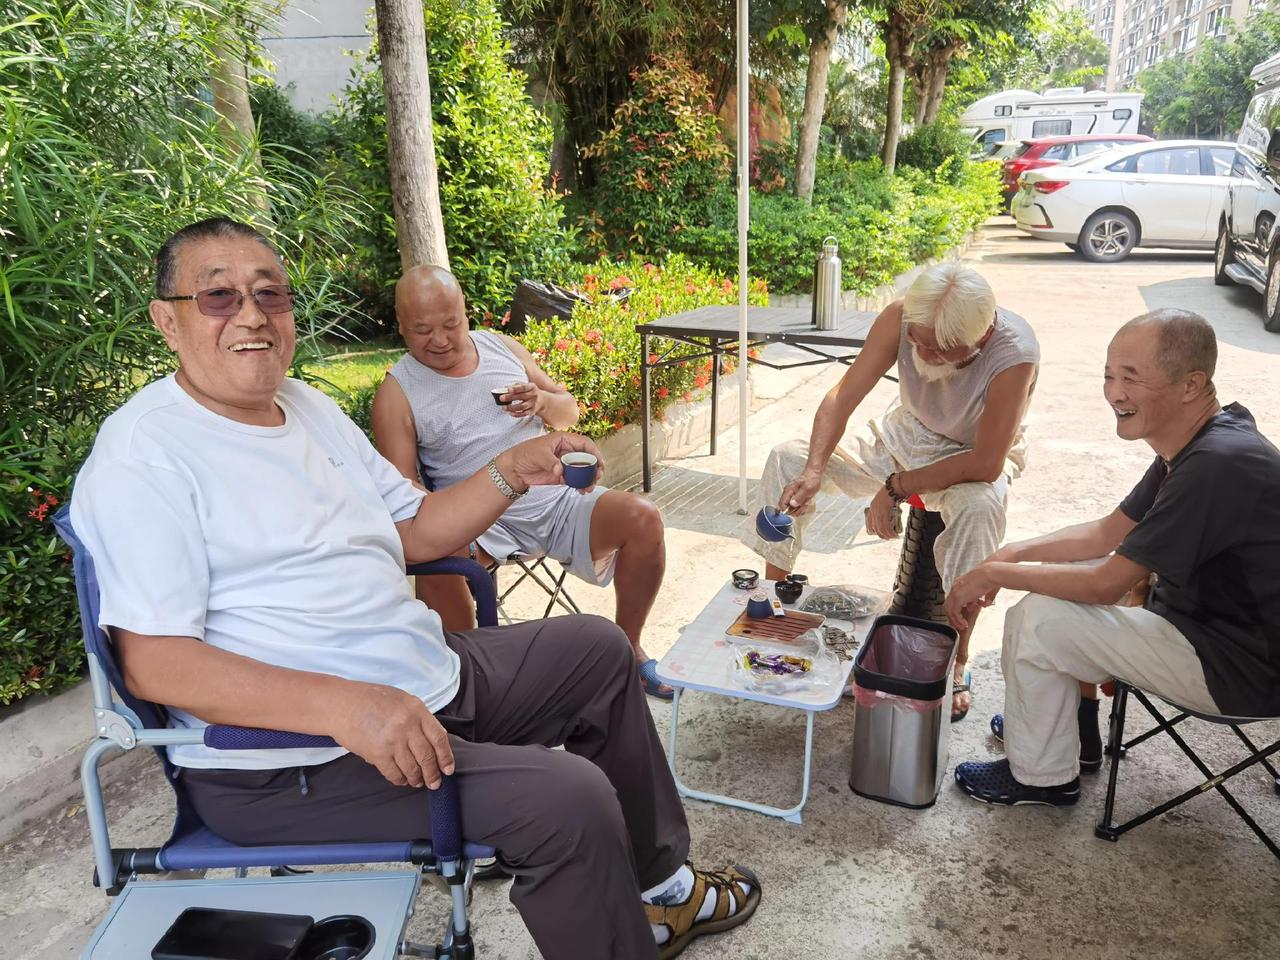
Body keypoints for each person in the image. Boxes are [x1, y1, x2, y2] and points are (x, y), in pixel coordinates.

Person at [70, 218, 760, 959]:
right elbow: (156, 663)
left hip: (420, 677)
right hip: (295, 761)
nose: (251, 315)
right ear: (167, 321)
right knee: (568, 799)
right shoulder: (145, 454)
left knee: (598, 650)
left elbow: (417, 529)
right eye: (218, 297)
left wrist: (513, 470)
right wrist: (346, 706)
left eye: (270, 293)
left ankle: (661, 894)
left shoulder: (307, 408)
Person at [948, 309, 1280, 807]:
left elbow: (1107, 583)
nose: (1114, 393)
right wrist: (1013, 552)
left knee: (1038, 620)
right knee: (1061, 578)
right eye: (1108, 375)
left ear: (1191, 385)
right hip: (1209, 630)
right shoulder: (1202, 440)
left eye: (1131, 377)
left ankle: (1041, 777)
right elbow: (1107, 533)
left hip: (1238, 667)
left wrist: (997, 573)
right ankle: (1068, 733)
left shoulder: (1215, 465)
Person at [744, 262, 1039, 721]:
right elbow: (843, 395)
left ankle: (958, 657)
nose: (924, 353)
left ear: (980, 339)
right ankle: (772, 597)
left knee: (981, 510)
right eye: (917, 342)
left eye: (940, 350)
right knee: (789, 458)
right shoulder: (902, 316)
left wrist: (894, 488)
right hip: (904, 433)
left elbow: (987, 463)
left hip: (969, 456)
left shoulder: (1013, 353)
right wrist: (815, 468)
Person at [371, 266, 673, 699]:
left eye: (451, 324)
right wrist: (456, 516)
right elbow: (404, 492)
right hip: (481, 525)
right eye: (422, 330)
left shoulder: (502, 347)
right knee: (438, 556)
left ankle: (629, 649)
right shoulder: (397, 393)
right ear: (400, 326)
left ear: (465, 312)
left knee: (643, 518)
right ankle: (471, 682)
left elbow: (568, 413)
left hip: (556, 499)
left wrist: (543, 401)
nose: (439, 340)